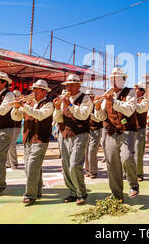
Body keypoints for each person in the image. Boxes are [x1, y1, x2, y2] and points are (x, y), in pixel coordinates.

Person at [94, 67, 139, 202]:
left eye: (117, 79)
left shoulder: (130, 92)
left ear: (123, 80)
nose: (114, 82)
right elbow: (101, 117)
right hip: (111, 132)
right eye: (112, 79)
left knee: (127, 158)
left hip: (127, 131)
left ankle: (133, 184)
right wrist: (97, 107)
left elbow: (130, 110)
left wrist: (113, 101)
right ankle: (117, 195)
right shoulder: (107, 95)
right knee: (112, 163)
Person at [11, 79, 54, 206]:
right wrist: (16, 108)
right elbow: (16, 117)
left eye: (37, 90)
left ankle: (30, 195)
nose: (34, 92)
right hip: (28, 138)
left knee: (32, 166)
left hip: (41, 139)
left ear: (44, 92)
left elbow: (39, 115)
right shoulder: (29, 103)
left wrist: (24, 106)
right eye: (33, 90)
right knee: (33, 167)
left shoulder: (48, 104)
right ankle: (38, 190)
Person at [54, 75, 93, 205]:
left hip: (80, 134)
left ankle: (81, 193)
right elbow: (58, 119)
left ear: (78, 86)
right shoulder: (65, 99)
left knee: (74, 165)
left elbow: (83, 115)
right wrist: (57, 108)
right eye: (67, 85)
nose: (68, 88)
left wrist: (69, 104)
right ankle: (72, 192)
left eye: (71, 85)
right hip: (65, 134)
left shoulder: (85, 98)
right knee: (65, 166)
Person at [84, 90, 103, 179]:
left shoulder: (97, 105)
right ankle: (88, 170)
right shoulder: (85, 106)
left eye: (90, 96)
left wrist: (89, 114)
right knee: (86, 151)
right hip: (87, 130)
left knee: (92, 151)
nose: (89, 97)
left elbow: (99, 119)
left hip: (96, 129)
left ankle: (93, 171)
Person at [134, 82, 149, 182]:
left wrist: (131, 102)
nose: (134, 90)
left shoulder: (145, 101)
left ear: (141, 91)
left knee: (138, 153)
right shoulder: (132, 100)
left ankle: (139, 173)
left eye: (137, 89)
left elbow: (140, 110)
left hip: (139, 130)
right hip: (130, 129)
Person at [6, 90, 22, 170]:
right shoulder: (10, 104)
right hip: (9, 126)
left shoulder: (19, 105)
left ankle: (14, 163)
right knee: (8, 144)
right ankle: (8, 163)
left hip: (16, 127)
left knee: (11, 144)